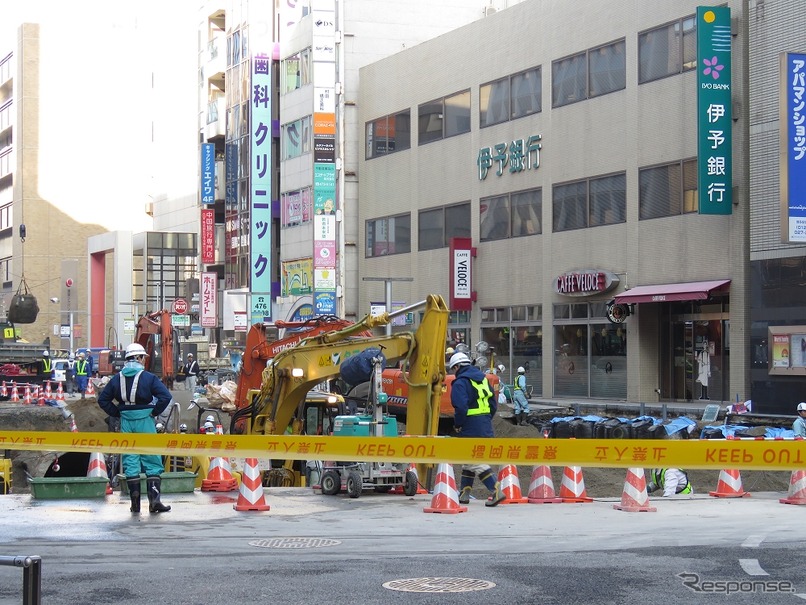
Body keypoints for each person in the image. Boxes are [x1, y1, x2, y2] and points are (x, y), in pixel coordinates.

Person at [97, 343, 173, 514]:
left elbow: (103, 400)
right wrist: (154, 411)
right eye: (143, 357)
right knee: (152, 460)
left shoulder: (116, 379)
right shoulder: (148, 378)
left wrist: (117, 412)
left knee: (131, 461)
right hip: (145, 420)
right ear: (139, 358)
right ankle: (154, 502)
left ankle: (135, 505)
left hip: (126, 421)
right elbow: (165, 397)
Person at [448, 351, 505, 507]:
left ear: (458, 366)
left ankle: (496, 489)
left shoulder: (460, 382)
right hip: (485, 425)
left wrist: (458, 424)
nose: (454, 372)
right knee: (470, 459)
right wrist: (485, 419)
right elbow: (493, 404)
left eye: (454, 369)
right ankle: (465, 493)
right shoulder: (483, 380)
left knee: (474, 460)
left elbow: (460, 407)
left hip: (470, 426)